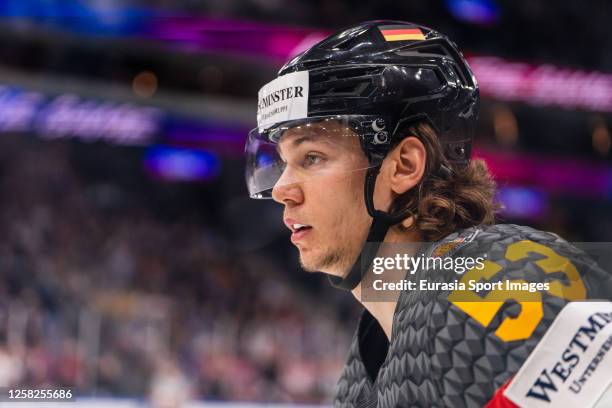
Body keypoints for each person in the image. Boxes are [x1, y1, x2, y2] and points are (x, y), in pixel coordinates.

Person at [245, 21, 612, 407]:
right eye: (283, 163)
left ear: (403, 165)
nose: (283, 189)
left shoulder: (494, 274)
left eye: (312, 157)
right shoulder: (370, 354)